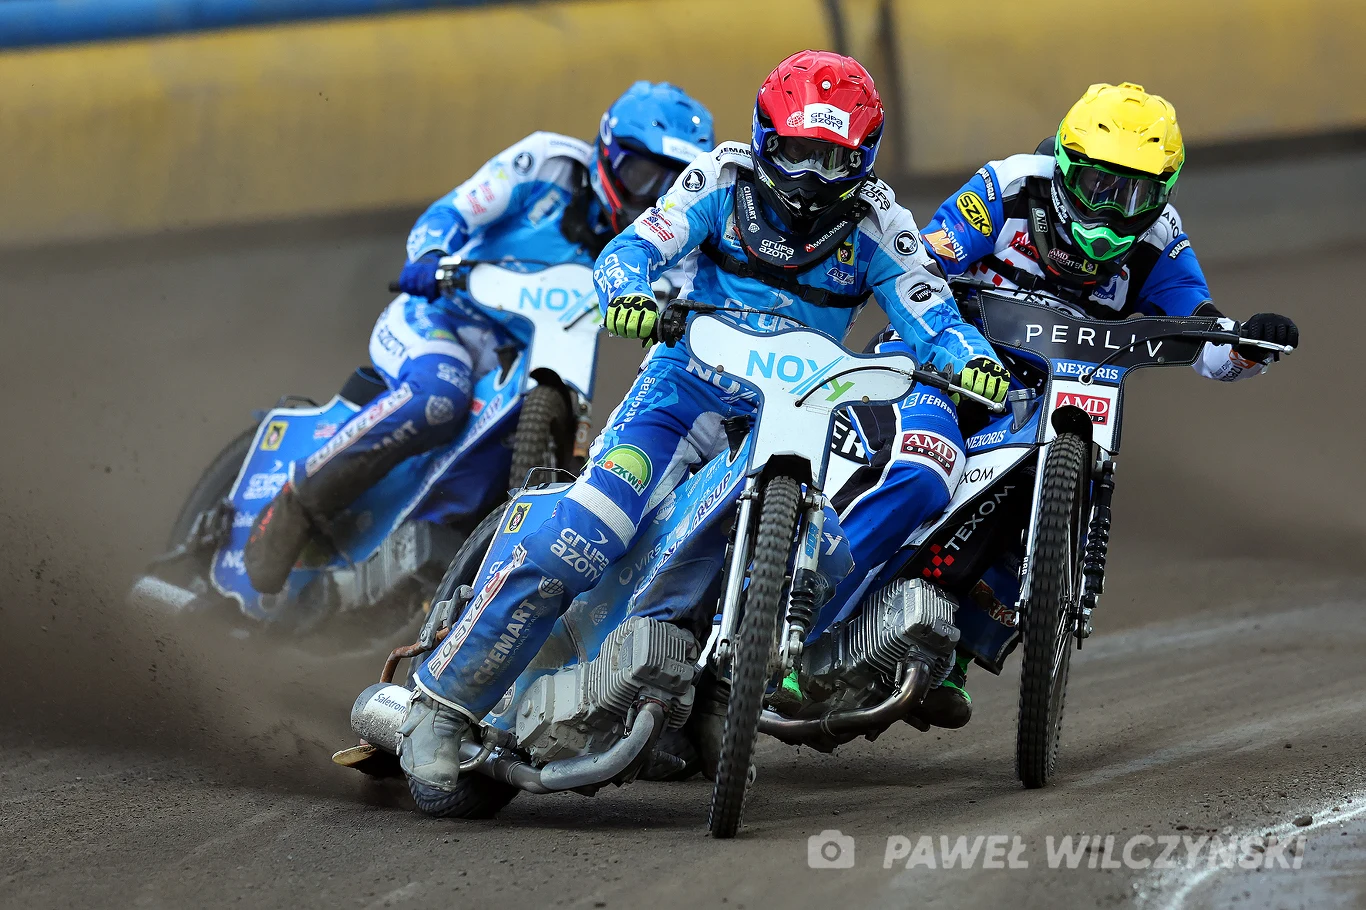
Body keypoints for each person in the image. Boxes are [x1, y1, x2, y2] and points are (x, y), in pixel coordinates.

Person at [398, 50, 1011, 801]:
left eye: (833, 160)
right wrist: (625, 289)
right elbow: (635, 247)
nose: (810, 179)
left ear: (865, 157)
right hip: (682, 392)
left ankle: (710, 700)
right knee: (584, 528)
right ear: (764, 136)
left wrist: (971, 359)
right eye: (797, 153)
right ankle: (441, 704)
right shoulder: (718, 180)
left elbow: (932, 314)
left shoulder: (883, 220)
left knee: (807, 554)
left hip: (790, 413)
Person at [892, 81, 1301, 725]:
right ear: (1062, 166)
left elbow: (1207, 341)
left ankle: (950, 652)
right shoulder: (1006, 187)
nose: (1111, 210)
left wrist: (1252, 344)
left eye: (1132, 193)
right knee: (906, 461)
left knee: (1047, 495)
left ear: (1160, 195)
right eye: (1098, 185)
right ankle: (811, 608)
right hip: (950, 360)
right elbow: (918, 264)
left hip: (1054, 398)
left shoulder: (1161, 238)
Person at [243, 82, 715, 595]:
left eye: (671, 181)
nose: (650, 193)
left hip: (528, 363)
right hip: (442, 317)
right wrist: (429, 255)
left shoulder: (667, 243)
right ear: (607, 152)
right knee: (439, 396)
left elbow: (692, 304)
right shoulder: (548, 163)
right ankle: (293, 503)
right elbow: (455, 210)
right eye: (640, 172)